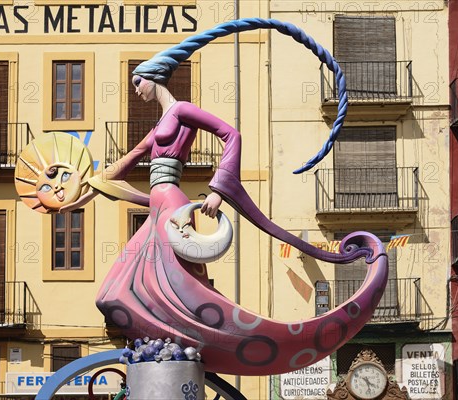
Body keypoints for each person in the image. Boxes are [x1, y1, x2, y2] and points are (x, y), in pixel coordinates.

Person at [50, 18, 389, 376]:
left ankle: (202, 341)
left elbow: (232, 134)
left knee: (177, 288)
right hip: (159, 206)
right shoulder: (157, 127)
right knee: (115, 293)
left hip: (174, 207)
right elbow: (121, 166)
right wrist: (76, 192)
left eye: (139, 83)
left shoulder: (181, 111)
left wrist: (217, 189)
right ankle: (170, 347)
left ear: (155, 77)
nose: (137, 91)